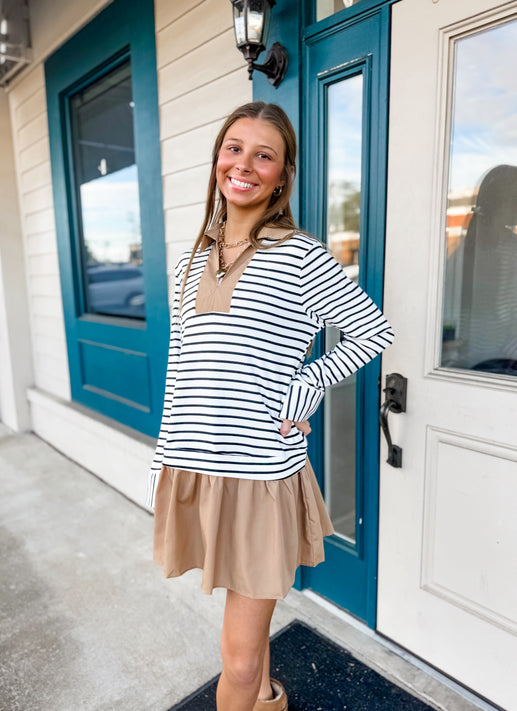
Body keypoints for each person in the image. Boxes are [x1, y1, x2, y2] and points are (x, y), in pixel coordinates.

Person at [146, 101, 394, 711]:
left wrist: (303, 386)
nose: (245, 165)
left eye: (265, 155)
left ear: (282, 176)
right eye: (234, 148)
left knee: (235, 656)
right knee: (244, 635)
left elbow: (372, 332)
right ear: (216, 161)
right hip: (194, 466)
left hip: (260, 473)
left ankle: (253, 690)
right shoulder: (188, 262)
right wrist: (163, 461)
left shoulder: (301, 255)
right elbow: (183, 369)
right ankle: (268, 699)